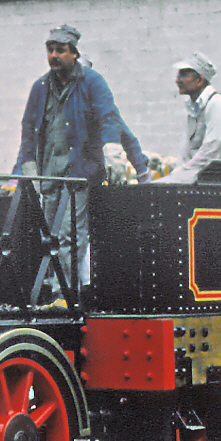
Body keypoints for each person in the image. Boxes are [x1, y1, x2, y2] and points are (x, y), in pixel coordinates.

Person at [14, 24, 148, 291]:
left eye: (60, 50)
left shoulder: (93, 82)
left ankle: (68, 293)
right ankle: (59, 291)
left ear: (74, 53)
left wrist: (119, 156)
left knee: (70, 234)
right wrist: (26, 167)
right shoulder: (40, 87)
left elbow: (112, 121)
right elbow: (28, 128)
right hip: (50, 175)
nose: (54, 55)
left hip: (79, 175)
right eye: (50, 50)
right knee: (50, 235)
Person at [165, 52, 221, 183]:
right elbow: (185, 153)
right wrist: (173, 178)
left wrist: (177, 178)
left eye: (184, 75)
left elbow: (211, 152)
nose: (177, 80)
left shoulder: (218, 104)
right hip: (205, 179)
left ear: (200, 80)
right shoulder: (192, 109)